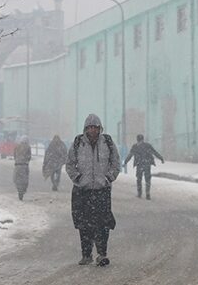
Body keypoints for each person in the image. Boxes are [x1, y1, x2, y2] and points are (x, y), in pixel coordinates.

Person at [66, 114, 121, 266]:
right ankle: (86, 255)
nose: (93, 130)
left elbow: (116, 163)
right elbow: (69, 164)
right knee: (84, 225)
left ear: (99, 128)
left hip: (101, 190)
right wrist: (77, 178)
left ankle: (102, 254)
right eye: (90, 127)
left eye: (95, 127)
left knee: (103, 224)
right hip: (82, 191)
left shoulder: (107, 143)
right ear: (85, 129)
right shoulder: (78, 143)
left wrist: (108, 178)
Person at [123, 134, 164, 200]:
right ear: (143, 139)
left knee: (139, 179)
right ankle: (147, 193)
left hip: (139, 164)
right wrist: (161, 158)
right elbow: (155, 152)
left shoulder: (135, 146)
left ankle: (139, 193)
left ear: (137, 139)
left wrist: (125, 162)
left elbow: (130, 155)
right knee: (147, 179)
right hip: (147, 164)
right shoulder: (148, 145)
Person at [13, 136, 32, 201]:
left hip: (17, 165)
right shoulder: (28, 147)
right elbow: (29, 157)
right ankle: (23, 190)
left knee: (17, 179)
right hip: (24, 165)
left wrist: (17, 160)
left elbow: (14, 156)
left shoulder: (17, 147)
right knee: (25, 179)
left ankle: (19, 190)